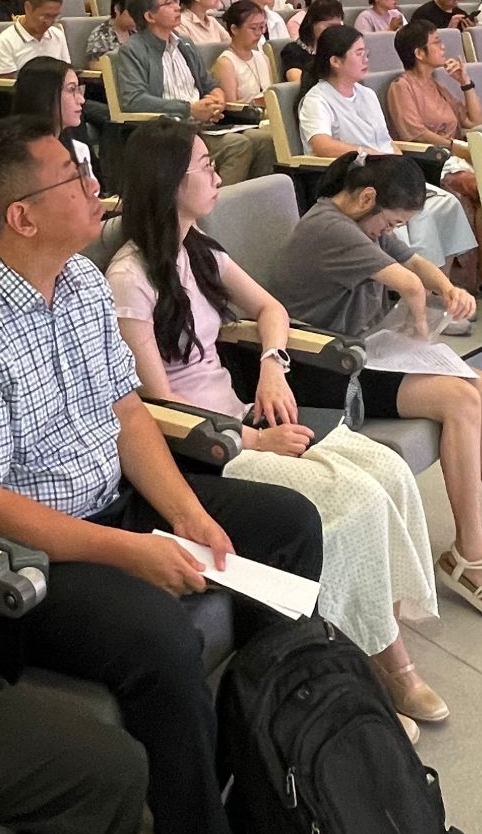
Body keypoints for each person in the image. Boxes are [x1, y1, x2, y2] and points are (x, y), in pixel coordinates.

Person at [0, 118, 322, 834]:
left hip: (113, 500)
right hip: (23, 557)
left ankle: (259, 752)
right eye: (75, 178)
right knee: (160, 637)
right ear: (22, 216)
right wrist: (130, 552)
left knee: (288, 523)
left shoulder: (81, 281)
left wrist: (188, 513)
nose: (98, 188)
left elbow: (127, 412)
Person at [107, 122, 446, 730]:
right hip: (205, 445)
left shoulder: (198, 249)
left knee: (390, 473)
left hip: (240, 414)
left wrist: (271, 364)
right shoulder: (130, 278)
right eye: (205, 165)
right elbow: (157, 405)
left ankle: (374, 644)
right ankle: (384, 669)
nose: (217, 175)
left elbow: (270, 308)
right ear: (169, 182)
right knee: (355, 499)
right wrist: (254, 439)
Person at [267, 150, 482, 622]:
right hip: (323, 367)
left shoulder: (361, 222)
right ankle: (470, 552)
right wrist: (421, 326)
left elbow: (416, 263)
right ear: (367, 198)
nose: (391, 232)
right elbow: (409, 284)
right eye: (392, 222)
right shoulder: (330, 229)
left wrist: (450, 288)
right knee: (462, 399)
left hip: (363, 353)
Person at [298, 25, 480, 287]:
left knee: (447, 204)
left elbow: (386, 141)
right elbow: (321, 144)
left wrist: (397, 161)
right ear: (335, 61)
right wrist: (370, 154)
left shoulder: (367, 95)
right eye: (358, 53)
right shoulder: (317, 99)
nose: (366, 59)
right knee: (419, 213)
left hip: (385, 172)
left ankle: (442, 287)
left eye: (366, 52)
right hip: (355, 178)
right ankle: (420, 291)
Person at [112, 0, 275, 184]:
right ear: (149, 16)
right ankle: (218, 203)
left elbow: (209, 83)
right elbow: (133, 100)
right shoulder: (133, 50)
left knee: (265, 141)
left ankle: (252, 200)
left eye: (175, 0)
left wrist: (217, 98)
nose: (177, 7)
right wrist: (189, 109)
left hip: (200, 126)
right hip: (166, 132)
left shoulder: (184, 43)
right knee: (237, 146)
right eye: (168, 3)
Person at [385, 20, 482, 282]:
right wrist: (456, 148)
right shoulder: (401, 87)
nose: (443, 47)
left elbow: (475, 122)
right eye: (436, 42)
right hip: (432, 160)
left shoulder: (436, 85)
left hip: (456, 155)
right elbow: (414, 134)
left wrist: (465, 82)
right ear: (419, 53)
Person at [11, 54, 97, 181]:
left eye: (79, 89)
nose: (81, 99)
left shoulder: (79, 149)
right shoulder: (14, 158)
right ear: (44, 96)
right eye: (71, 89)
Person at [0, 0, 69, 76]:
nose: (49, 23)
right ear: (28, 7)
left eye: (55, 16)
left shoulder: (57, 35)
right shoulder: (5, 41)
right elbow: (4, 82)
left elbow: (66, 73)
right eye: (45, 16)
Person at [281, 0, 343, 83]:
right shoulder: (293, 51)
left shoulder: (340, 50)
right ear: (312, 24)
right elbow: (298, 82)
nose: (335, 31)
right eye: (329, 26)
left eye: (338, 27)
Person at [86, 0, 135, 64]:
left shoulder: (141, 31)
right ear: (117, 8)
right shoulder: (101, 35)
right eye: (133, 11)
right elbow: (95, 65)